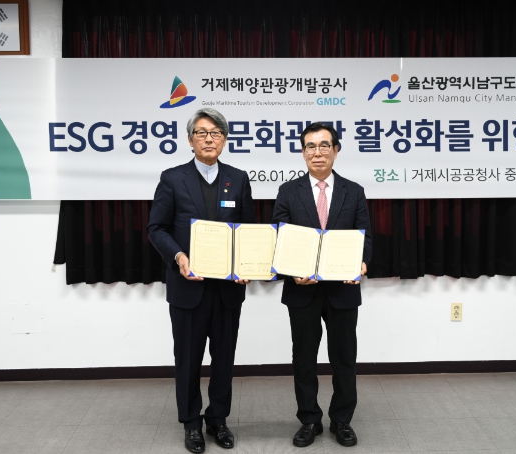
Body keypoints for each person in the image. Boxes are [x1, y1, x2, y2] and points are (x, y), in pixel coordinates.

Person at [148, 108, 256, 453]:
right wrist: (179, 257)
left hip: (227, 290)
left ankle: (218, 420)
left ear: (224, 140)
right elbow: (156, 228)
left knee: (223, 359)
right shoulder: (172, 178)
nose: (209, 139)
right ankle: (191, 423)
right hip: (188, 288)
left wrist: (247, 264)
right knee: (188, 360)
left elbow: (249, 231)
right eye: (202, 132)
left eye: (216, 133)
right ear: (190, 139)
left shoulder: (238, 178)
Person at [272, 122, 372, 448]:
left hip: (343, 289)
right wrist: (290, 271)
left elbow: (365, 236)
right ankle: (309, 420)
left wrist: (362, 263)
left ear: (336, 150)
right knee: (303, 358)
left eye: (324, 145)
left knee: (344, 357)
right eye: (311, 147)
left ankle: (342, 420)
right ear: (303, 153)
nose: (318, 152)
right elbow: (280, 237)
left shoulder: (353, 191)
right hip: (302, 290)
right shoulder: (289, 192)